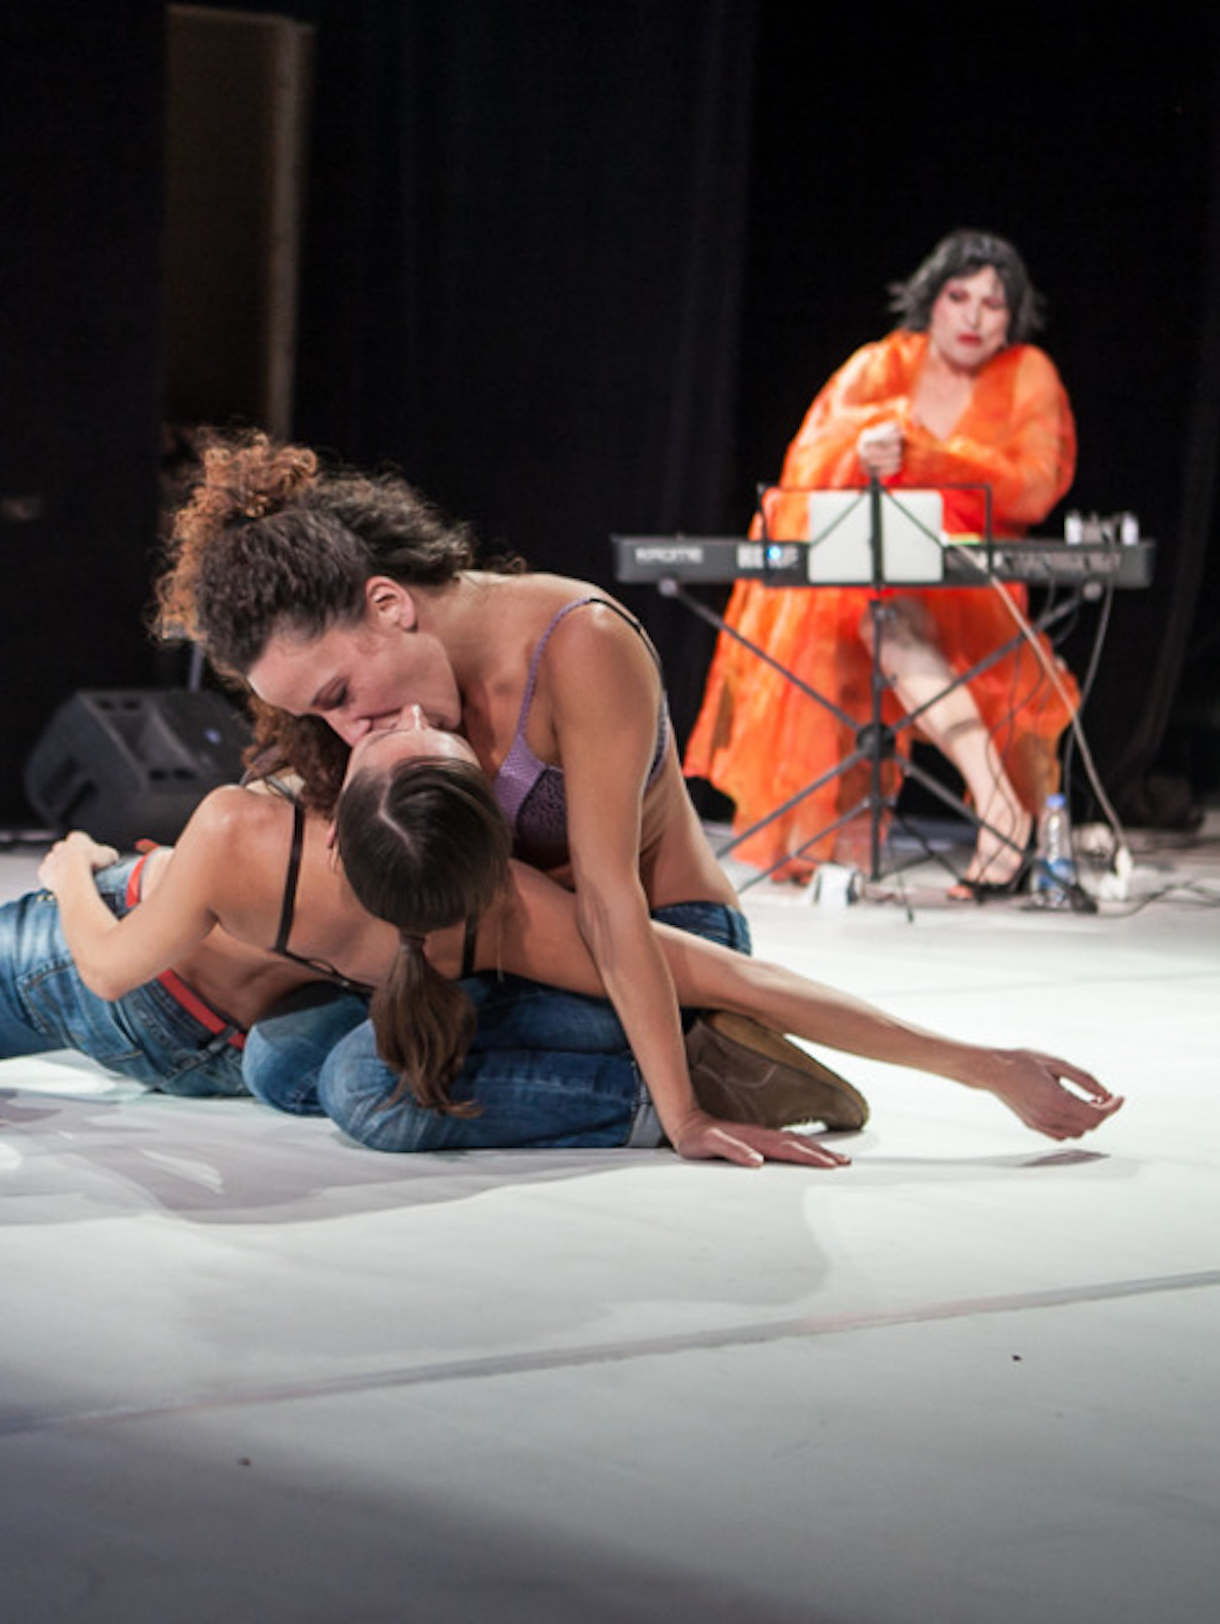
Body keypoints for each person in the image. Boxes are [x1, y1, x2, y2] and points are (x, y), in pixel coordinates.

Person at [0, 713, 1121, 1159]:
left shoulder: (245, 827)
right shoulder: (482, 904)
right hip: (225, 1052)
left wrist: (72, 864)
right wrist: (982, 1063)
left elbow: (104, 962)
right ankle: (643, 1082)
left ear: (347, 801)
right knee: (295, 1063)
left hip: (94, 972)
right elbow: (725, 966)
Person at [149, 436, 826, 1166]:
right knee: (279, 1061)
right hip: (520, 950)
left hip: (658, 938)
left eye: (339, 696)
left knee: (365, 1086)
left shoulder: (579, 642)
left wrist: (683, 1118)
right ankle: (670, 1062)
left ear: (389, 604)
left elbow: (608, 902)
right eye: (318, 713)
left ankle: (678, 1084)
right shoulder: (391, 701)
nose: (347, 728)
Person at [686, 229, 1079, 894]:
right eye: (959, 297)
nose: (974, 317)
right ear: (932, 300)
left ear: (1012, 318)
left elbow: (1036, 485)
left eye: (993, 304)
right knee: (861, 621)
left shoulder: (1027, 372)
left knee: (886, 622)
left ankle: (999, 808)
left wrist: (930, 458)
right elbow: (805, 462)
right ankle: (865, 841)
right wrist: (858, 453)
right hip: (866, 576)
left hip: (969, 584)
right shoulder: (881, 365)